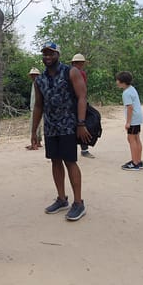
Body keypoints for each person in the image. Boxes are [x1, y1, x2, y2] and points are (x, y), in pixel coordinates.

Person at [31, 42, 92, 222]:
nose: (47, 57)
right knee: (55, 161)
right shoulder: (39, 80)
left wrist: (81, 123)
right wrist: (34, 132)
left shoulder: (70, 72)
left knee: (70, 161)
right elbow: (38, 106)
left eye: (51, 53)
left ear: (58, 54)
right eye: (45, 54)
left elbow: (82, 97)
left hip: (68, 125)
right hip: (51, 127)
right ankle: (62, 198)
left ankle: (78, 203)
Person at [115, 71, 143, 171]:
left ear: (122, 82)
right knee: (136, 138)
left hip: (133, 119)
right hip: (138, 117)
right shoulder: (132, 89)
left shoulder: (126, 93)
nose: (116, 82)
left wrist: (128, 122)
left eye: (117, 80)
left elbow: (130, 108)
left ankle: (135, 162)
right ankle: (138, 161)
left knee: (131, 139)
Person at [71, 53, 95, 158]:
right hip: (78, 102)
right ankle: (84, 149)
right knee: (84, 122)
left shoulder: (68, 72)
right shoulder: (81, 73)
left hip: (70, 102)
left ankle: (77, 149)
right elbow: (82, 92)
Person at [26, 67, 43, 150]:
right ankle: (38, 142)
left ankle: (34, 144)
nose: (33, 76)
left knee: (34, 125)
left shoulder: (38, 83)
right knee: (38, 126)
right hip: (35, 108)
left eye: (35, 75)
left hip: (36, 108)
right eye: (32, 75)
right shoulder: (36, 83)